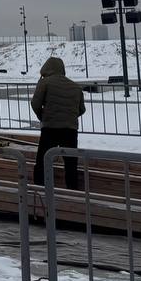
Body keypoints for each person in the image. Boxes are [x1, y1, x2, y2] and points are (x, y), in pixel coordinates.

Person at [30, 56, 84, 190]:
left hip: (50, 128)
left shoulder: (45, 83)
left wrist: (42, 116)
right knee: (71, 163)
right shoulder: (75, 87)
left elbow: (35, 103)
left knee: (42, 160)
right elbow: (81, 109)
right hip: (70, 130)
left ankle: (40, 190)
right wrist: (69, 117)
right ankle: (72, 191)